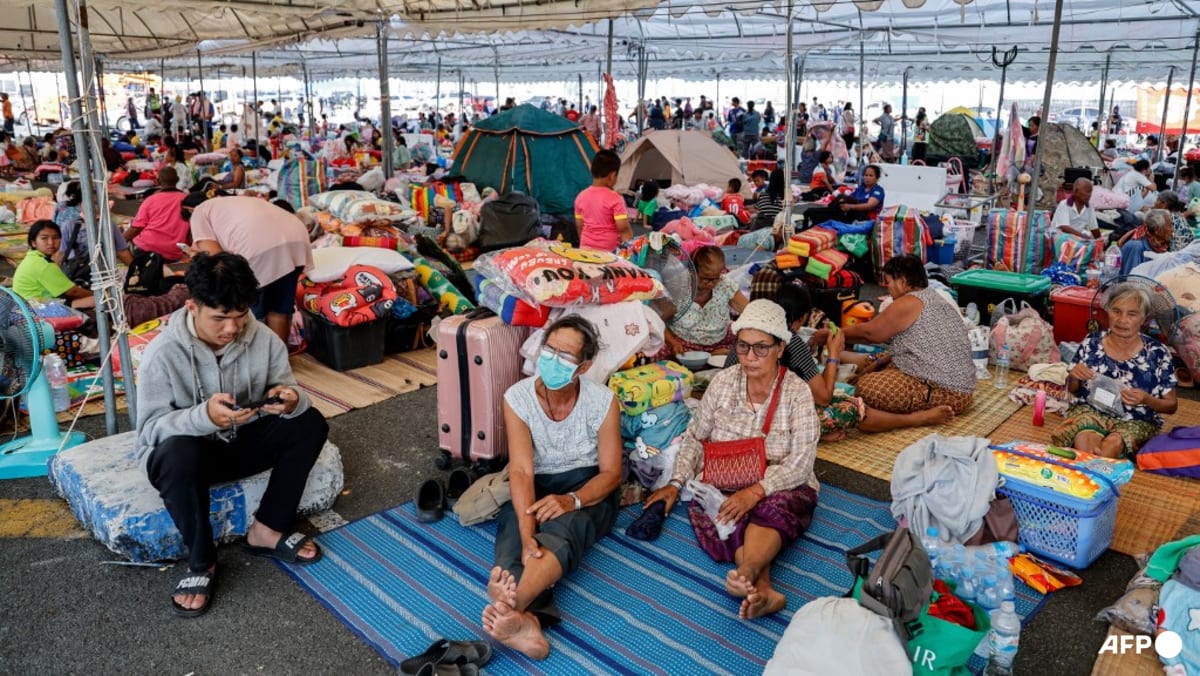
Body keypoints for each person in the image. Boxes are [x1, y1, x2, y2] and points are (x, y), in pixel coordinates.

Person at [136, 251, 329, 617]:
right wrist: (202, 417)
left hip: (243, 442)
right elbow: (149, 432)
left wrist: (290, 400)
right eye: (220, 318)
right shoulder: (162, 353)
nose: (231, 329)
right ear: (192, 307)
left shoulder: (266, 339)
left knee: (309, 421)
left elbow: (287, 387)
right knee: (177, 453)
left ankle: (267, 530)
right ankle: (202, 561)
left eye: (240, 317)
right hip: (192, 459)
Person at [643, 299, 820, 620]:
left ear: (780, 348)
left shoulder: (797, 392)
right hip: (725, 482)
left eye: (761, 348)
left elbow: (801, 463)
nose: (750, 357)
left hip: (781, 484)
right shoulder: (723, 382)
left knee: (769, 508)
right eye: (743, 347)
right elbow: (695, 436)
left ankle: (749, 570)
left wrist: (754, 491)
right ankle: (762, 588)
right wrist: (675, 482)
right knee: (724, 511)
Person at [482, 316, 622, 659]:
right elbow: (521, 469)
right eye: (549, 350)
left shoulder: (603, 401)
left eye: (566, 356)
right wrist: (528, 531)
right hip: (539, 482)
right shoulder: (517, 397)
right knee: (515, 536)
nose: (553, 360)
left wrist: (572, 500)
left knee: (564, 531)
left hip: (588, 488)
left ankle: (510, 604)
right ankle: (525, 621)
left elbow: (612, 473)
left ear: (584, 366)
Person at [728, 285, 953, 441]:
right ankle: (916, 419)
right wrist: (834, 353)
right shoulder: (789, 340)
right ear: (801, 319)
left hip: (735, 417)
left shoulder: (745, 333)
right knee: (851, 408)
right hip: (762, 422)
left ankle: (813, 433)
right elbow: (823, 398)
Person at [1052, 283, 1177, 458]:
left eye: (1132, 314)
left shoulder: (1158, 353)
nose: (1122, 319)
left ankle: (1090, 466)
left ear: (1144, 319)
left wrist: (1147, 399)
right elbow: (1073, 389)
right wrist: (1073, 377)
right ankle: (1095, 466)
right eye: (1116, 311)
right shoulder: (1092, 342)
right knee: (1085, 435)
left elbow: (1171, 406)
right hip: (1090, 410)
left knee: (1115, 442)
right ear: (1107, 312)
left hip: (1135, 419)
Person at [843, 255, 976, 416]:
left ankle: (921, 417)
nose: (887, 287)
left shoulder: (909, 301)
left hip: (948, 393)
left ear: (903, 282)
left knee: (867, 388)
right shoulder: (933, 296)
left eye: (889, 281)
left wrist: (834, 334)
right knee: (881, 360)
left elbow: (870, 333)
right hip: (959, 386)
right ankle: (837, 355)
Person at [182, 192, 313, 343]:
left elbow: (217, 260)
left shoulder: (199, 212)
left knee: (248, 312)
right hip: (297, 237)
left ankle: (253, 359)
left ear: (189, 211)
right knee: (279, 309)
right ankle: (279, 359)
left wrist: (197, 257)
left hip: (257, 248)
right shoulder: (233, 202)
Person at [663, 246, 749, 355]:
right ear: (692, 271)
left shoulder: (725, 285)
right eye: (705, 278)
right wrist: (672, 342)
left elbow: (750, 311)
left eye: (716, 278)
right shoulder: (677, 287)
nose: (711, 283)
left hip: (721, 343)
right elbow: (658, 320)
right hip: (683, 344)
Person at [12, 220, 95, 309]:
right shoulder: (43, 264)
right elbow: (72, 292)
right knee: (100, 300)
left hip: (26, 305)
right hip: (39, 310)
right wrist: (95, 295)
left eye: (55, 238)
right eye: (44, 238)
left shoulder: (33, 257)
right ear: (33, 242)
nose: (51, 242)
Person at [55, 181, 134, 267]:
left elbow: (122, 252)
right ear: (79, 203)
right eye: (88, 203)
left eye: (96, 203)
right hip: (75, 273)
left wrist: (136, 271)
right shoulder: (69, 226)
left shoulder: (109, 225)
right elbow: (61, 253)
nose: (92, 207)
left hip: (102, 274)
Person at [122, 167, 190, 262]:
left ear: (157, 181)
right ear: (177, 180)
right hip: (174, 252)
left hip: (148, 249)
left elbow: (135, 228)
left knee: (125, 246)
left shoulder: (150, 200)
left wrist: (120, 241)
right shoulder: (187, 199)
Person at [573, 149, 631, 251]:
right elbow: (623, 230)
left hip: (585, 250)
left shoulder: (580, 196)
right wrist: (630, 250)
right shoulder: (616, 198)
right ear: (612, 176)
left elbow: (579, 226)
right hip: (609, 254)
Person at [1118, 209, 1173, 275]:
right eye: (1170, 226)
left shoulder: (1162, 246)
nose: (1172, 230)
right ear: (1157, 230)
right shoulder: (1136, 247)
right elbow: (1131, 279)